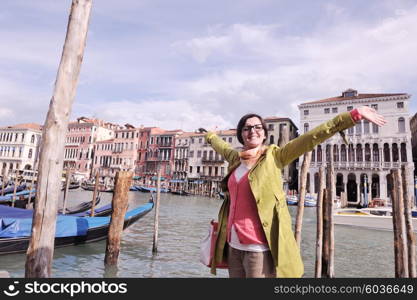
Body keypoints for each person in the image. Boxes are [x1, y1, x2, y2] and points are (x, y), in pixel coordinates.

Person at [201, 106, 386, 278]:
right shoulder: (235, 158)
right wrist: (210, 135)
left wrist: (352, 116)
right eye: (247, 128)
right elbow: (220, 145)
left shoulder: (275, 157)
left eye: (257, 127)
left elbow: (312, 137)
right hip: (233, 245)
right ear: (241, 135)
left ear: (264, 134)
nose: (252, 131)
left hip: (258, 248)